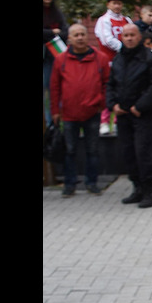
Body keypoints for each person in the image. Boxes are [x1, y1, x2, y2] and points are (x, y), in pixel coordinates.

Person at [106, 23, 152, 208]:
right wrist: (113, 104)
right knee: (128, 152)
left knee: (144, 152)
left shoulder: (150, 58)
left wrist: (140, 106)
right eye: (126, 35)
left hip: (142, 114)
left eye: (133, 35)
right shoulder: (118, 59)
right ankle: (137, 188)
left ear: (139, 37)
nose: (130, 38)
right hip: (122, 114)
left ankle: (150, 191)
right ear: (122, 38)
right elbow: (110, 85)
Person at [50, 23, 110, 197]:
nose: (80, 38)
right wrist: (55, 110)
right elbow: (54, 87)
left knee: (93, 150)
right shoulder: (60, 60)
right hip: (69, 114)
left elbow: (107, 83)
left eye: (83, 34)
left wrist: (102, 103)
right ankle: (69, 185)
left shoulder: (101, 58)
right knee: (70, 150)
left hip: (93, 112)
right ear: (69, 39)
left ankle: (92, 183)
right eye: (76, 35)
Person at [95, 0, 134, 135]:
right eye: (114, 3)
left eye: (119, 3)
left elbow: (134, 35)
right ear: (108, 4)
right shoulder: (104, 20)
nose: (117, 6)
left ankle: (119, 120)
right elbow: (107, 40)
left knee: (123, 91)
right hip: (109, 61)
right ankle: (104, 121)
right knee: (107, 91)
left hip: (125, 62)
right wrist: (125, 48)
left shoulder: (127, 20)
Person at [43, 0, 68, 126]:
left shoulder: (57, 13)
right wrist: (53, 32)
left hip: (54, 55)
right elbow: (57, 32)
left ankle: (54, 122)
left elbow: (65, 32)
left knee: (53, 88)